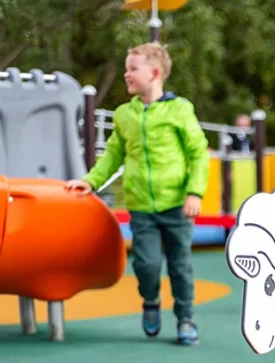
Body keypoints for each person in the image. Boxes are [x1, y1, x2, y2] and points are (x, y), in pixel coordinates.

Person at [65, 42, 209, 346]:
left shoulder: (179, 109)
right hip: (142, 208)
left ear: (154, 73)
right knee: (145, 265)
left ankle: (185, 318)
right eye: (126, 69)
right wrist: (90, 182)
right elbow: (113, 155)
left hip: (177, 206)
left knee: (180, 265)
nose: (126, 74)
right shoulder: (124, 115)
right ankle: (151, 302)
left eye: (133, 69)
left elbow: (198, 153)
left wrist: (194, 192)